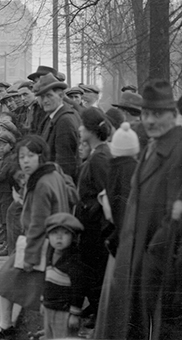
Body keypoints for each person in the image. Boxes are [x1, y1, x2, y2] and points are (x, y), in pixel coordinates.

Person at [95, 79, 182, 340]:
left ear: (172, 115)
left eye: (158, 114)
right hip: (135, 258)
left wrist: (151, 261)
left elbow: (176, 217)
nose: (150, 120)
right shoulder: (152, 146)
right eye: (147, 113)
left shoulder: (180, 151)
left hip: (157, 270)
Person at [0, 135, 75, 340]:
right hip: (54, 244)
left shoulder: (40, 184)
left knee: (5, 282)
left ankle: (7, 327)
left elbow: (37, 224)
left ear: (41, 157)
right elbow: (72, 194)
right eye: (22, 156)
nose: (25, 161)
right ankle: (24, 328)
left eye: (30, 156)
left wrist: (30, 258)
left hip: (39, 245)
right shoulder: (54, 172)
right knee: (44, 291)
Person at [73, 107, 112, 323]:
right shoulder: (99, 154)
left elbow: (106, 195)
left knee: (95, 272)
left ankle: (99, 316)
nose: (79, 129)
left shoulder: (100, 158)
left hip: (96, 229)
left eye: (82, 125)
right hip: (91, 226)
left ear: (90, 130)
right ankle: (95, 311)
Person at [42, 212, 91, 339]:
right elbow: (46, 281)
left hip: (64, 311)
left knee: (65, 336)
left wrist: (75, 313)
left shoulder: (74, 262)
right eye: (54, 233)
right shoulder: (50, 255)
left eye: (65, 233)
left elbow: (78, 289)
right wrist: (43, 302)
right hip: (50, 308)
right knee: (49, 335)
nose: (59, 238)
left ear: (73, 237)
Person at [33, 73, 80, 179]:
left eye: (49, 95)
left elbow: (65, 164)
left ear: (61, 95)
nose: (45, 100)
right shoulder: (53, 117)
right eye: (42, 96)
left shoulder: (64, 121)